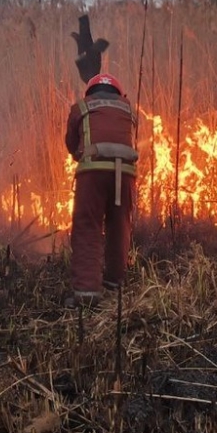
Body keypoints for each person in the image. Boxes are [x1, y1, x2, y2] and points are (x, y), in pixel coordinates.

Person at [64, 73, 139, 307]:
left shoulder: (81, 107)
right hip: (125, 173)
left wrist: (80, 153)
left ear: (91, 92)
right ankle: (114, 283)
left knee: (88, 226)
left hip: (93, 171)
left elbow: (71, 144)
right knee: (119, 225)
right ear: (119, 93)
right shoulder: (129, 110)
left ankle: (86, 294)